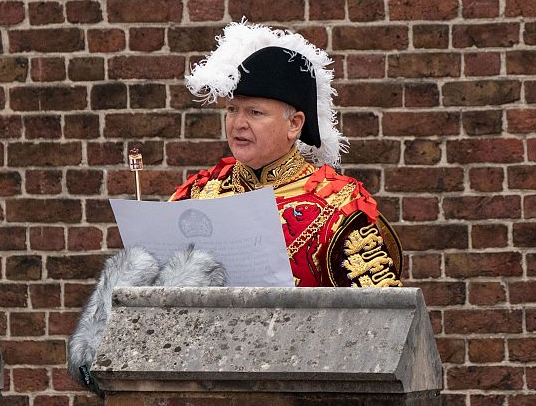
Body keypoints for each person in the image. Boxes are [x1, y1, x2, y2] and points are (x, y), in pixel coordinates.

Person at [171, 21, 403, 288]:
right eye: (233, 110)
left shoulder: (339, 208)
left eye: (255, 112)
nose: (238, 123)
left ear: (294, 124)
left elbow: (377, 316)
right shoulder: (195, 196)